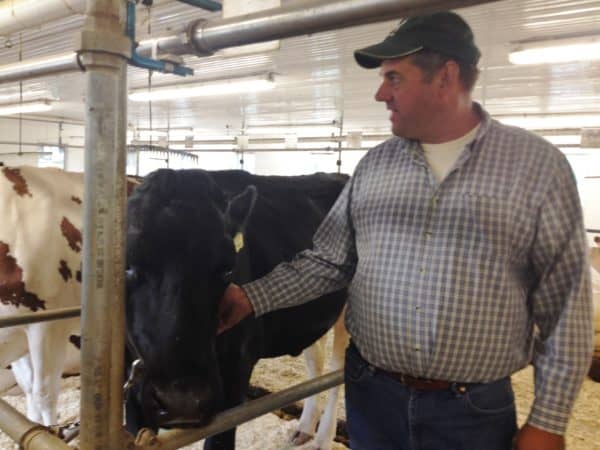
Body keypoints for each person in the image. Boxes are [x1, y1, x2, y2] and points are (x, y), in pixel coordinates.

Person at [217, 10, 594, 450]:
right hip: (372, 396)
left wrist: (548, 421)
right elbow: (328, 262)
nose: (380, 94)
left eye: (394, 78)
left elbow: (565, 305)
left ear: (446, 77)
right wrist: (249, 297)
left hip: (470, 411)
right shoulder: (375, 166)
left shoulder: (536, 168)